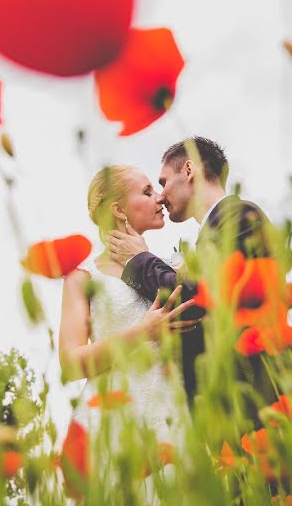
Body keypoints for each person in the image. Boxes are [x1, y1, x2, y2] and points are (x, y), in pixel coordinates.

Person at [107, 137, 292, 424]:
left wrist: (139, 260)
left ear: (189, 170)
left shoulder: (240, 217)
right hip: (242, 407)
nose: (161, 196)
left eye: (163, 182)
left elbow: (195, 298)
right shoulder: (214, 231)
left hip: (266, 399)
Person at [59, 165, 195, 450]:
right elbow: (70, 364)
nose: (160, 198)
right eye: (147, 192)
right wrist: (143, 332)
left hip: (173, 415)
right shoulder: (82, 278)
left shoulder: (170, 269)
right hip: (114, 416)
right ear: (119, 210)